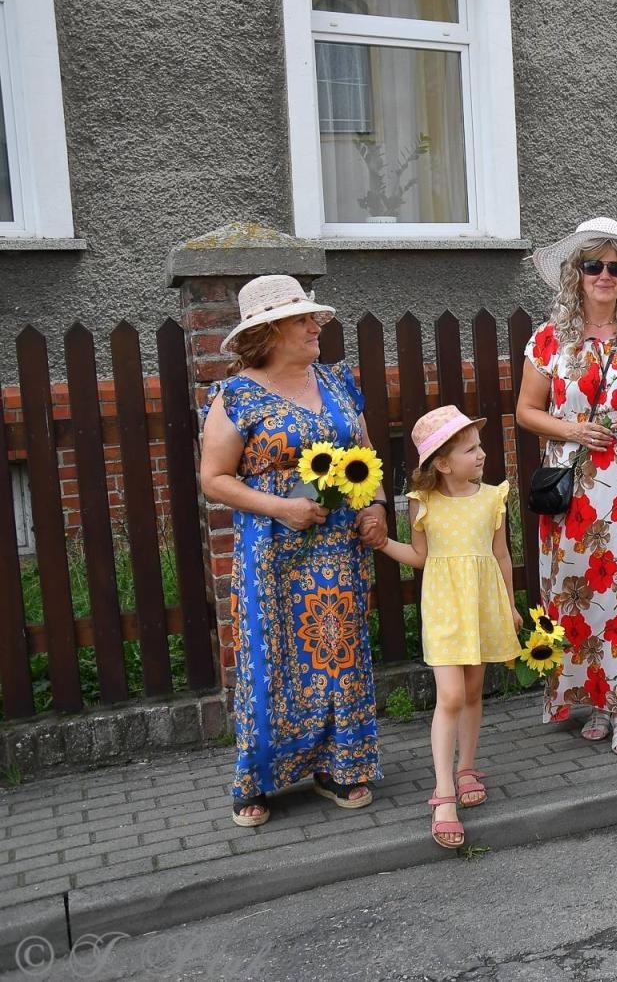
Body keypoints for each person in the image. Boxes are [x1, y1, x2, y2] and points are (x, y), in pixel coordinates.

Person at [199, 274, 389, 827]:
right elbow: (214, 479)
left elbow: (368, 454)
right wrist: (281, 507)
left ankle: (339, 766)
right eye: (304, 319)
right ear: (271, 332)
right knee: (274, 661)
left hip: (338, 549)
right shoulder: (238, 395)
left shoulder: (337, 380)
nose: (316, 326)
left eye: (314, 318)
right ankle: (258, 779)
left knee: (340, 655)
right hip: (274, 552)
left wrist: (375, 507)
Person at [515, 216, 617, 756]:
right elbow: (526, 412)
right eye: (593, 265)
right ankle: (588, 699)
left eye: (616, 267)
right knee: (574, 593)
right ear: (574, 274)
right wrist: (573, 427)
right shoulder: (550, 339)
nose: (605, 275)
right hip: (572, 486)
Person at [375, 405, 522, 849]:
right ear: (442, 462)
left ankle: (467, 766)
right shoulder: (425, 504)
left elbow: (500, 557)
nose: (481, 454)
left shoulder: (492, 497)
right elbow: (421, 557)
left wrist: (511, 608)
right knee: (451, 695)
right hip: (443, 608)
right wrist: (383, 545)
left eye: (479, 447)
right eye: (470, 448)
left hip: (482, 605)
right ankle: (443, 793)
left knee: (474, 692)